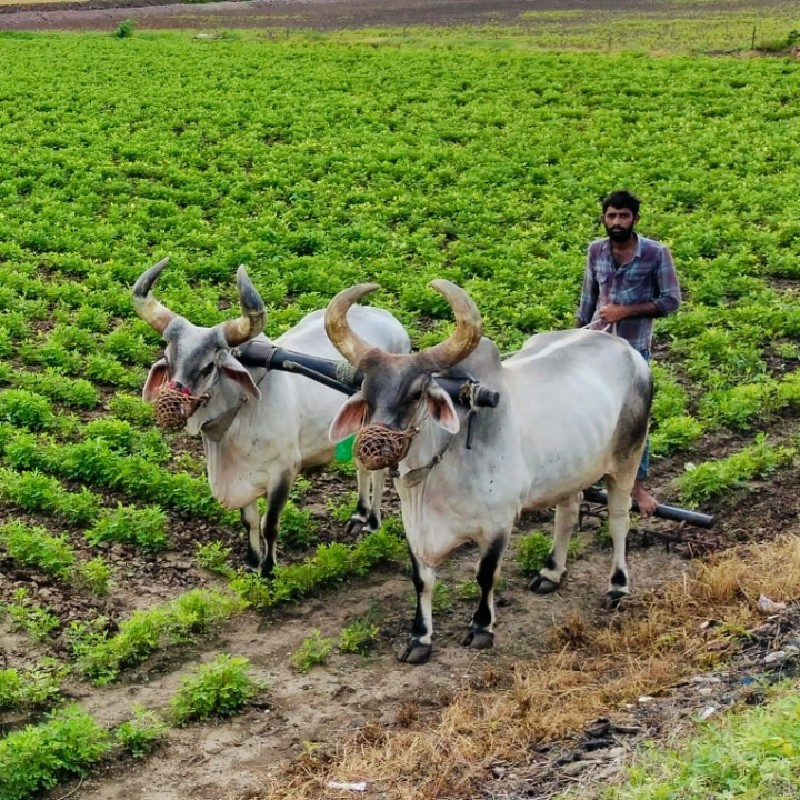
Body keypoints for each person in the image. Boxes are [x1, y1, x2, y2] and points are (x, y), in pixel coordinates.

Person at [575, 189, 681, 516]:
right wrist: (576, 337)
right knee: (589, 413)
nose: (617, 222)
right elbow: (587, 299)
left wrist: (626, 311)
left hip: (632, 351)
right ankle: (587, 475)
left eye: (623, 216)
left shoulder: (656, 254)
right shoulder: (596, 251)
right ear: (604, 219)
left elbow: (670, 302)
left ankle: (635, 485)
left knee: (634, 419)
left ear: (635, 219)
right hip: (596, 346)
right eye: (611, 216)